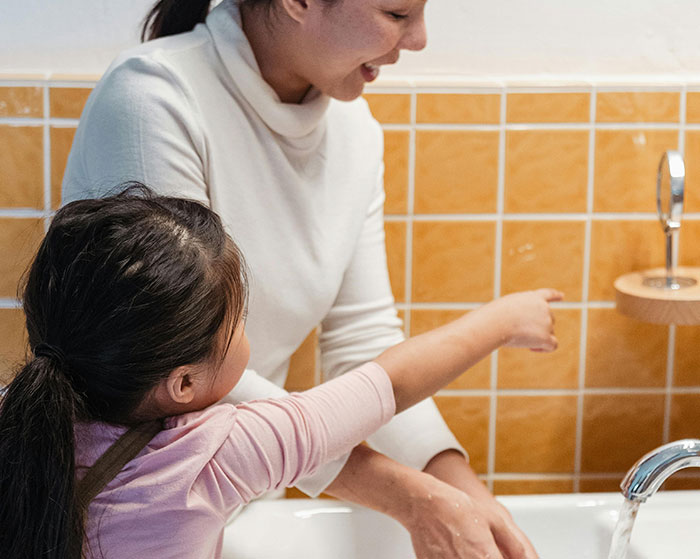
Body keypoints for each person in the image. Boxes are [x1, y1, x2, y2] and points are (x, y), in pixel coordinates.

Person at [61, 1, 554, 557]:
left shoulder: (354, 133)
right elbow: (174, 356)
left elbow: (364, 342)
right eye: (396, 12)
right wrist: (414, 499)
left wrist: (459, 488)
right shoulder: (151, 98)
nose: (418, 40)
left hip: (239, 508)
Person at [0, 187, 561, 559]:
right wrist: (504, 319)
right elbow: (389, 383)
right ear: (185, 384)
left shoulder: (14, 420)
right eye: (238, 322)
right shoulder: (213, 456)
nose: (247, 331)